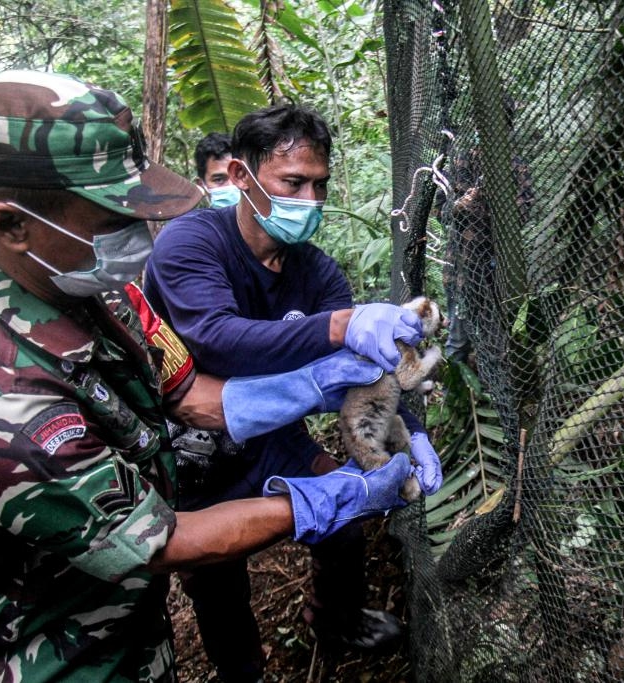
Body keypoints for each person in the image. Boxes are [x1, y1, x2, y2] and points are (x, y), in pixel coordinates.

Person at [0, 69, 419, 682]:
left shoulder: (108, 302)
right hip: (45, 663)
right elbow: (159, 542)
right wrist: (327, 498)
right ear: (10, 225)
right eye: (110, 218)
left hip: (128, 637)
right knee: (219, 593)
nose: (137, 237)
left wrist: (325, 387)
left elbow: (191, 395)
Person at [143, 104, 444, 680]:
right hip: (195, 452)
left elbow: (367, 372)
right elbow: (217, 338)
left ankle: (335, 619)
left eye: (320, 184)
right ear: (240, 176)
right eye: (292, 182)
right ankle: (243, 671)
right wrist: (338, 325)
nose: (310, 200)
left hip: (274, 439)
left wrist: (417, 433)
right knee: (217, 579)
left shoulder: (317, 274)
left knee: (343, 523)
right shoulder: (191, 244)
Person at [194, 131, 239, 208]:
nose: (231, 186)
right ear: (201, 185)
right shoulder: (191, 220)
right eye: (219, 180)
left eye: (239, 176)